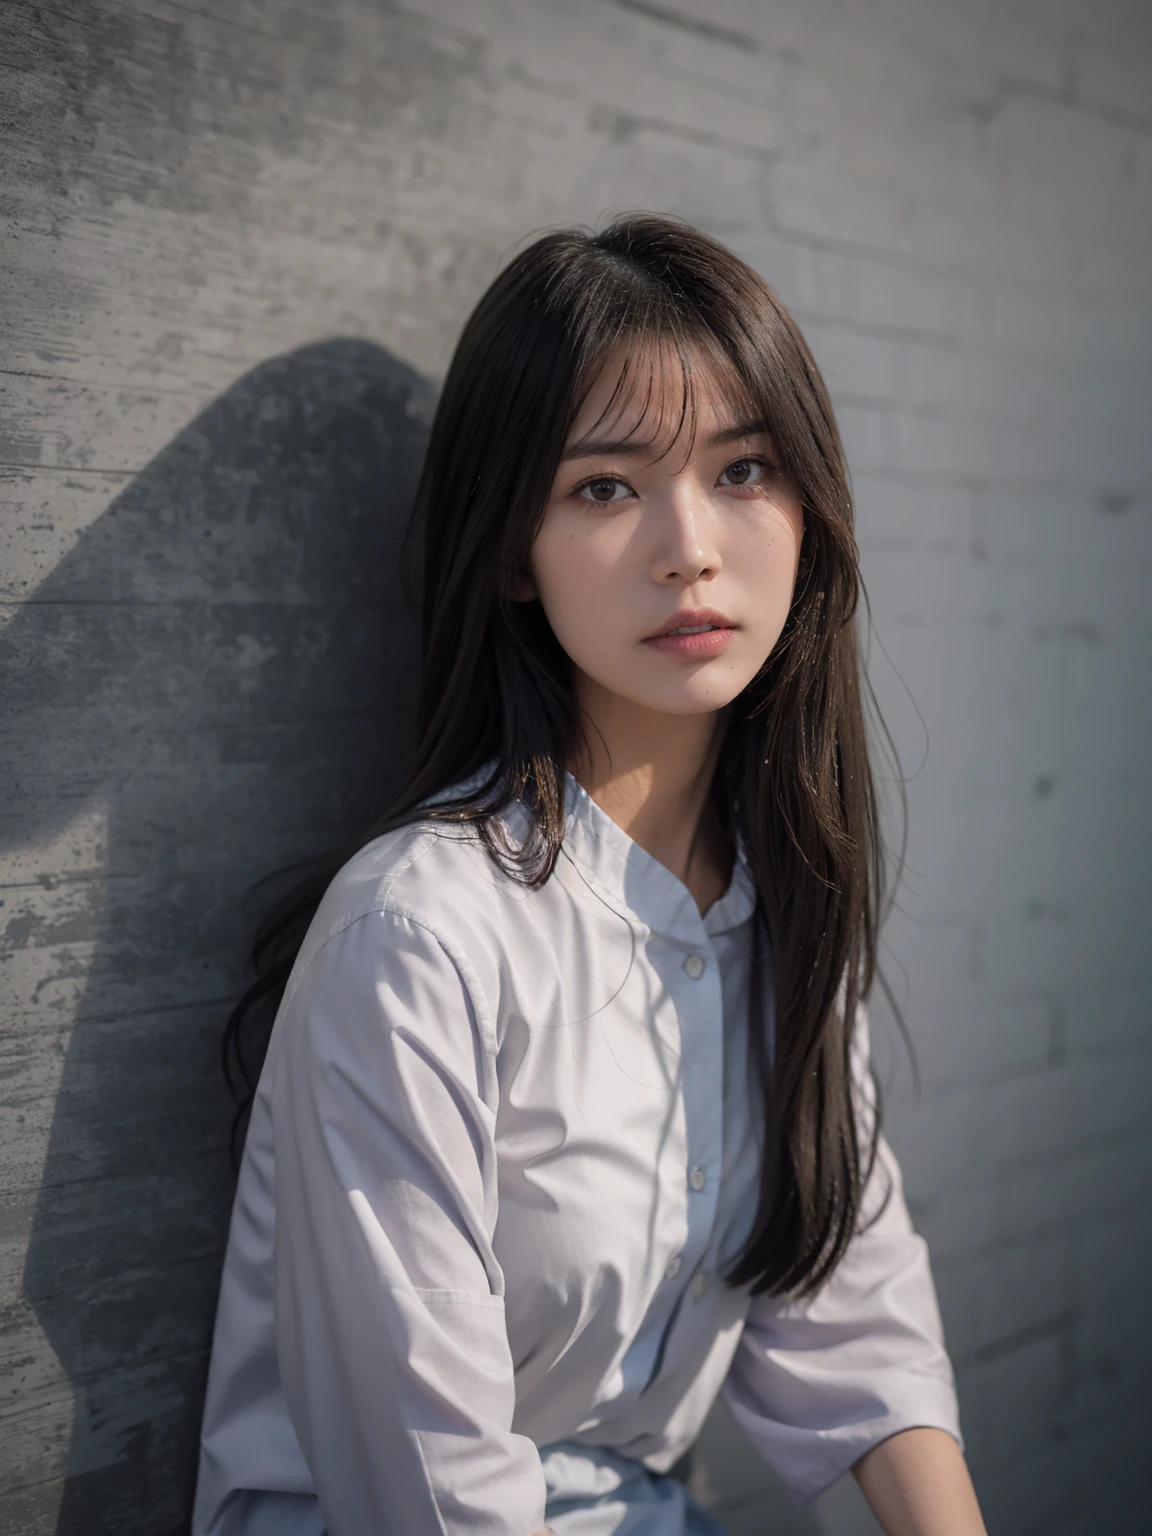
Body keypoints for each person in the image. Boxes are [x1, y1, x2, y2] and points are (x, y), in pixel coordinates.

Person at [192, 214, 987, 1536]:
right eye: (606, 487)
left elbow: (857, 1325)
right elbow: (431, 1490)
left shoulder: (780, 907)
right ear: (514, 546)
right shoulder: (417, 938)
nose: (690, 545)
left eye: (743, 469)